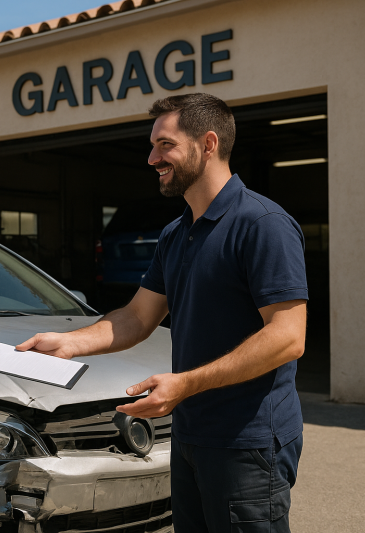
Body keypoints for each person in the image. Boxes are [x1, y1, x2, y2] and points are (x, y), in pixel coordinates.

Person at [17, 93, 307, 532]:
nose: (152, 158)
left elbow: (288, 336)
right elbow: (137, 316)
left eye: (165, 145)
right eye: (153, 145)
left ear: (208, 144)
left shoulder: (262, 224)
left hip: (246, 444)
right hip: (190, 436)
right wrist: (70, 343)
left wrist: (185, 384)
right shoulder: (176, 234)